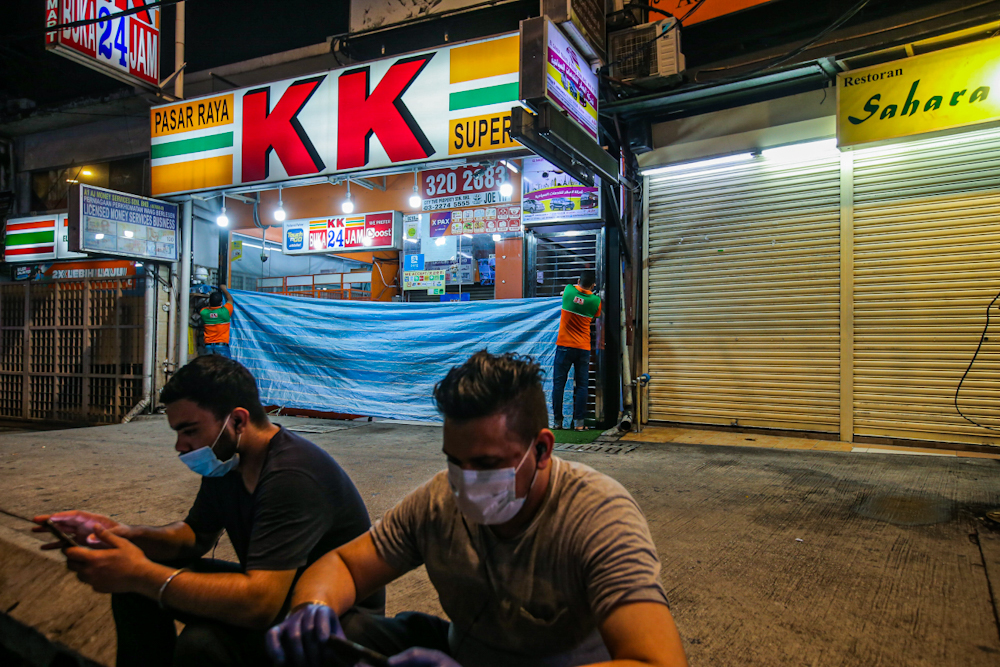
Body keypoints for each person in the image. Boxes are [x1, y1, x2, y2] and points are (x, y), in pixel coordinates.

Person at [266, 350, 687, 667]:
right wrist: (313, 607)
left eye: (486, 465)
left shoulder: (597, 515)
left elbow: (657, 661)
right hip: (463, 652)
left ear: (541, 449)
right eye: (454, 461)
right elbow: (345, 564)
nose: (465, 481)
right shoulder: (437, 503)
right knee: (345, 633)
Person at [33, 355, 384, 667]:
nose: (180, 446)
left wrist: (140, 573)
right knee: (132, 585)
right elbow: (195, 535)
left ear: (238, 420)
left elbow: (259, 603)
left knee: (202, 645)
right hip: (276, 592)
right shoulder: (227, 462)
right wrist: (121, 535)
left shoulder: (292, 475)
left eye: (189, 431)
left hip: (331, 620)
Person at [553, 269, 601, 431]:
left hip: (564, 346)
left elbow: (573, 289)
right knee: (582, 385)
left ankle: (557, 422)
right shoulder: (595, 301)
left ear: (578, 281)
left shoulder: (568, 291)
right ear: (593, 285)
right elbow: (596, 316)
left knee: (558, 385)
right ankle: (579, 423)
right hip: (583, 348)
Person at [201, 285, 234, 358]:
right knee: (225, 368)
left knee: (208, 369)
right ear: (221, 303)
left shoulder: (203, 312)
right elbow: (230, 300)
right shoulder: (225, 312)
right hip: (221, 347)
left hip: (208, 347)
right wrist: (224, 289)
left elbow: (207, 308)